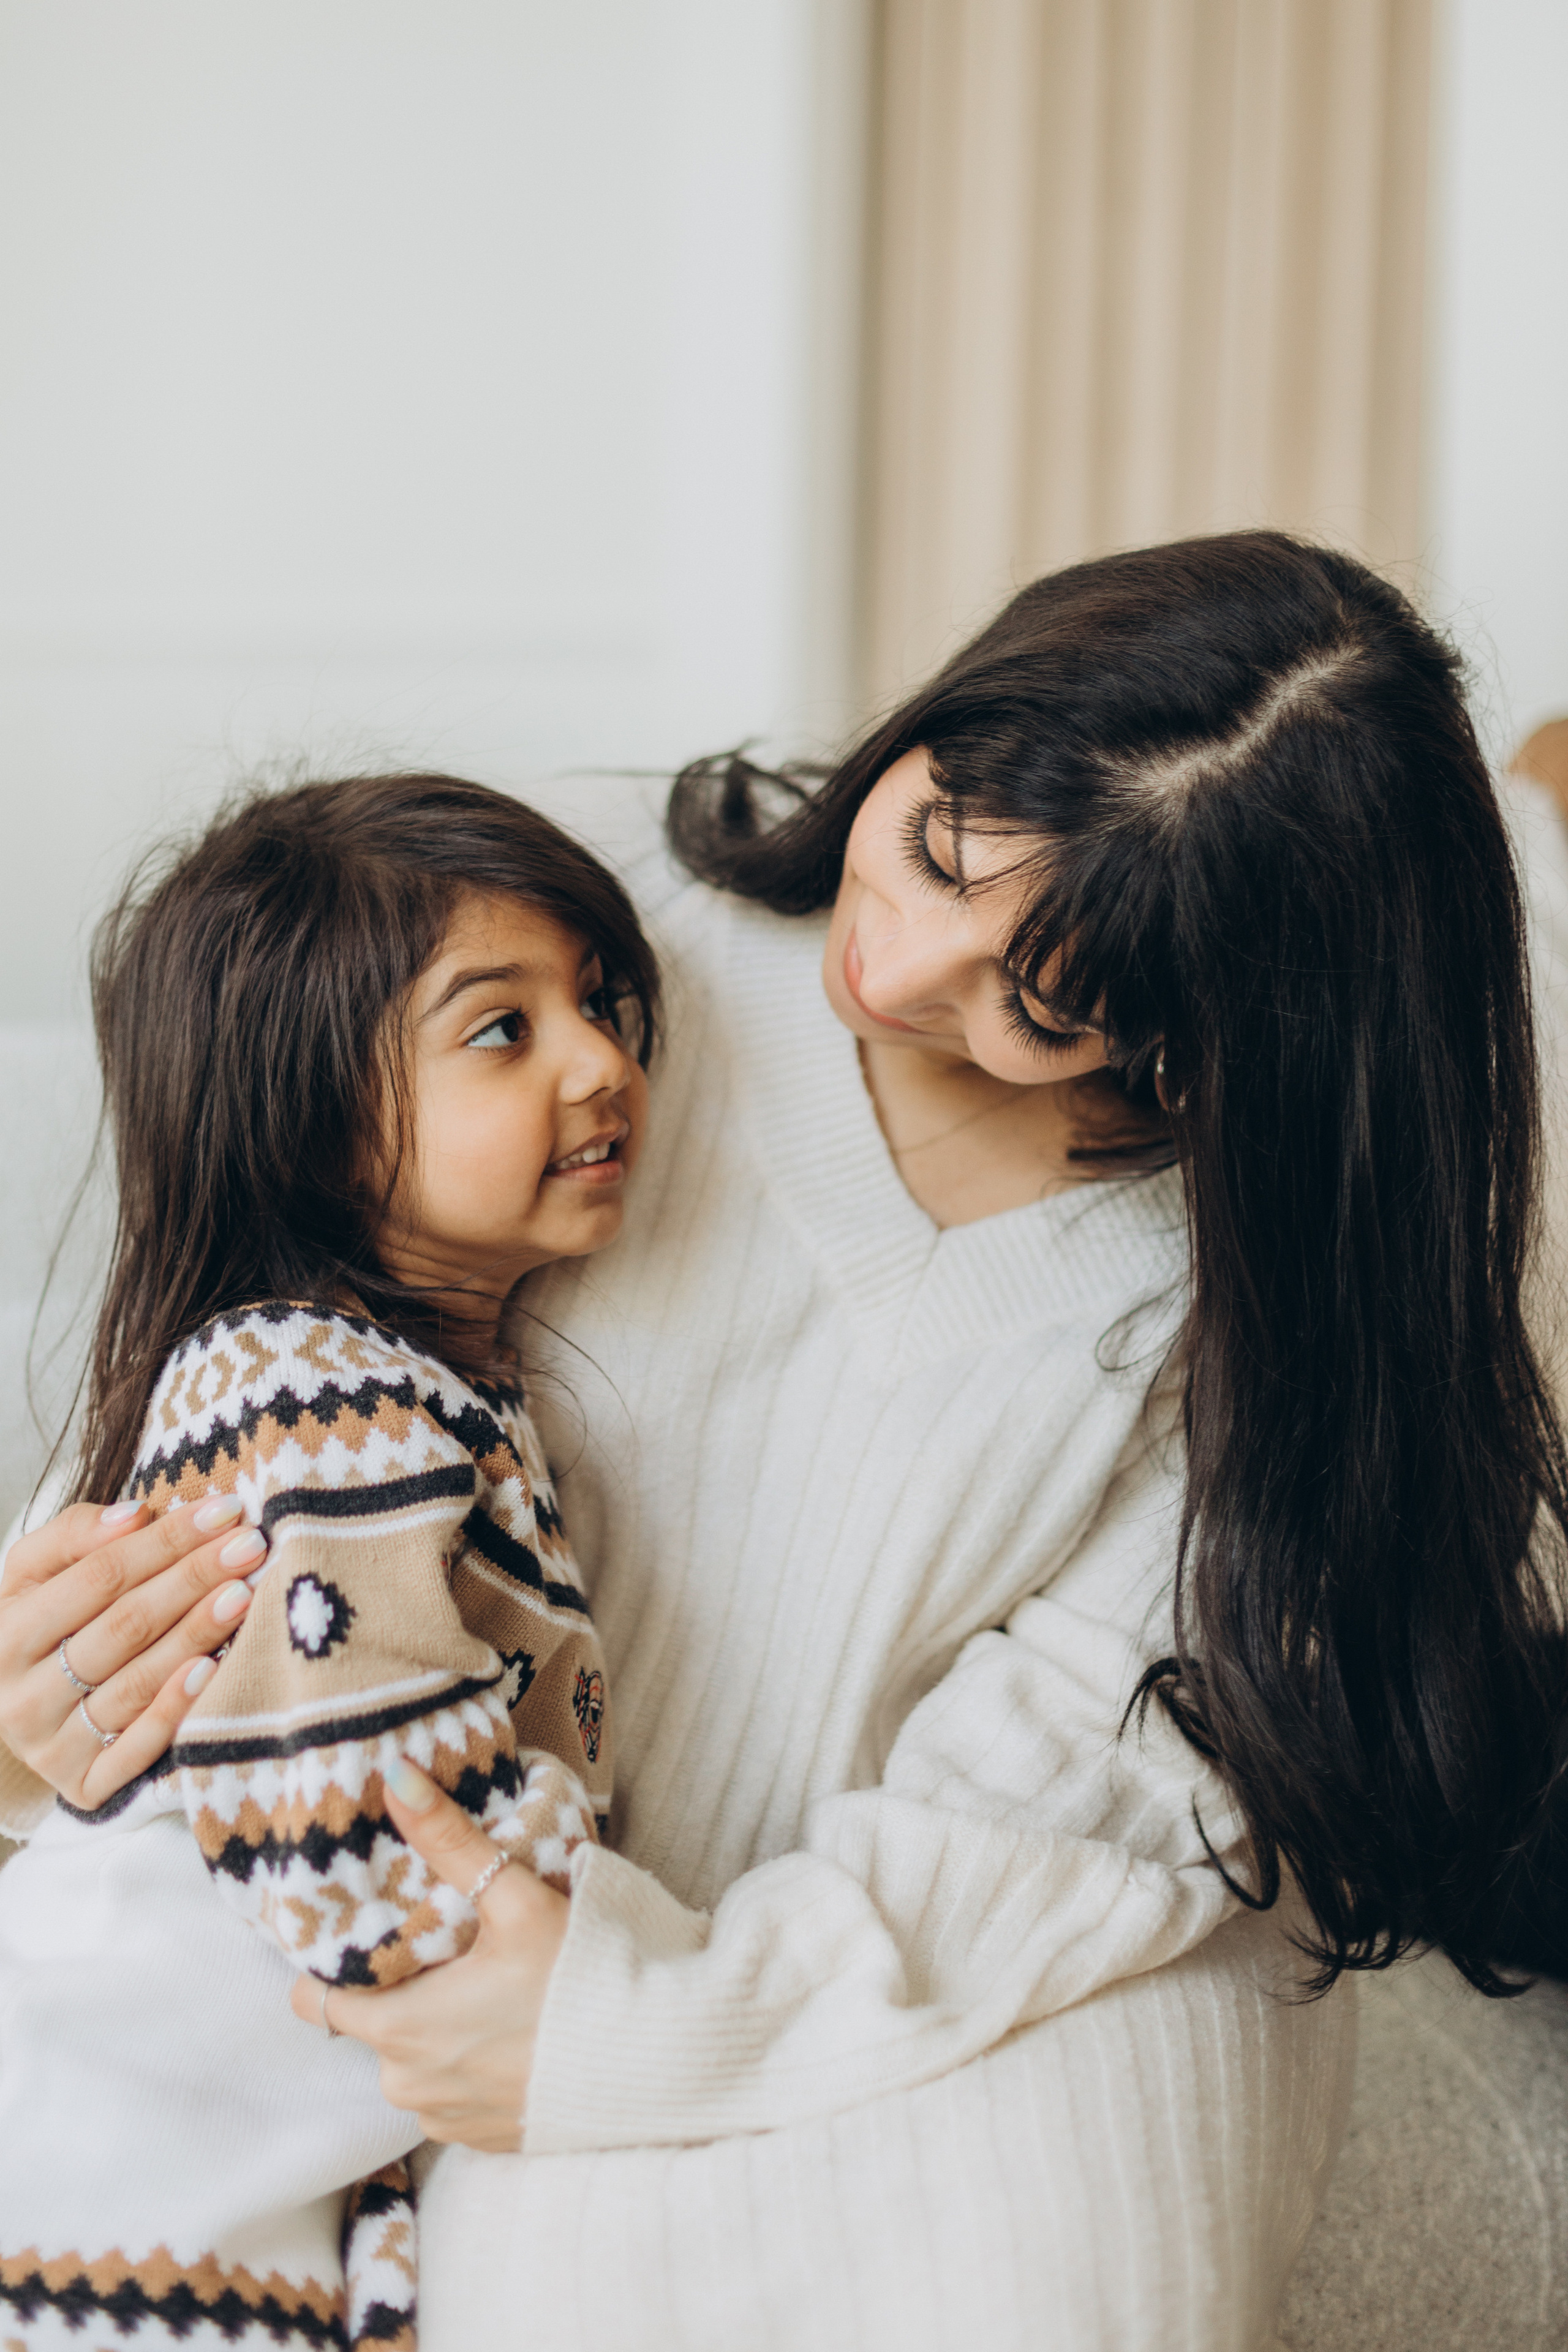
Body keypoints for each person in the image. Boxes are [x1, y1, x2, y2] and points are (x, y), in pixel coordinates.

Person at [2, 532, 1564, 2352]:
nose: (897, 972)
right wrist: (49, 1707)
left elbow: (1077, 1792)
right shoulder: (575, 932)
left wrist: (650, 2020)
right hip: (483, 1890)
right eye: (933, 849)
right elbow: (237, 1354)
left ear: (1210, 1040)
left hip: (971, 1945)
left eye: (1039, 1005)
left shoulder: (1264, 1310)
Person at [0, 774, 660, 2349]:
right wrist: (631, 1964)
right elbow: (366, 1810)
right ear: (308, 1123)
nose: (600, 1063)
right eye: (501, 1029)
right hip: (115, 2135)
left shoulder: (418, 1392)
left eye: (598, 1002)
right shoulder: (310, 1390)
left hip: (210, 2152)